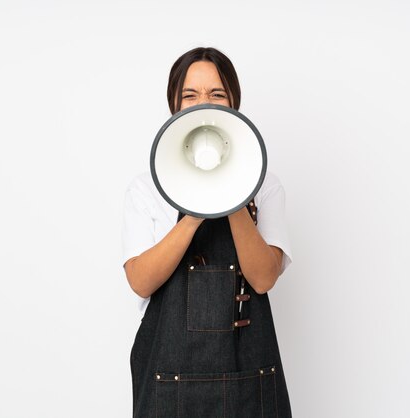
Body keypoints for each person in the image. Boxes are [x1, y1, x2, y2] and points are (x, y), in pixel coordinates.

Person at [122, 47, 293, 417]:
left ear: (233, 102)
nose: (204, 103)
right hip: (169, 380)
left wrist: (233, 194)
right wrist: (196, 206)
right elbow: (140, 281)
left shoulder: (265, 185)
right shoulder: (146, 188)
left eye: (217, 94)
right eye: (190, 95)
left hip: (248, 376)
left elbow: (264, 278)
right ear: (174, 104)